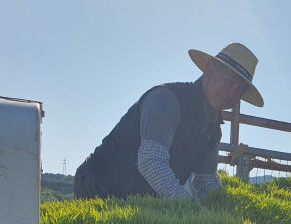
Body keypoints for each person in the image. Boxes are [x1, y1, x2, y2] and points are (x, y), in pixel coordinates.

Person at [74, 43, 264, 200]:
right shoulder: (167, 99)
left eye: (239, 90)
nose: (232, 93)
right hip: (99, 186)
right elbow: (151, 161)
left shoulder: (213, 129)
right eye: (229, 81)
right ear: (210, 69)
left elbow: (206, 180)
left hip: (143, 199)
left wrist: (225, 213)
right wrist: (190, 210)